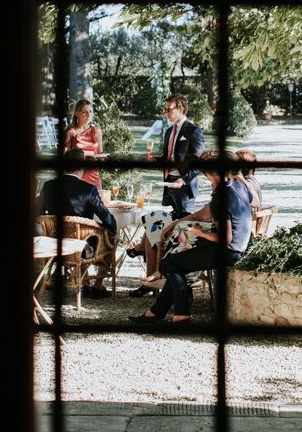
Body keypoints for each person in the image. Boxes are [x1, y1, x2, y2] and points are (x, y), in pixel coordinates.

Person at [128, 150, 252, 325]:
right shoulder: (236, 185)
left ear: (208, 174)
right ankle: (155, 312)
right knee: (176, 262)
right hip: (238, 247)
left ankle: (181, 313)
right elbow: (204, 213)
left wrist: (201, 233)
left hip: (228, 251)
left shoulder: (221, 196)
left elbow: (226, 237)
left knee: (174, 263)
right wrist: (174, 224)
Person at [127, 93, 205, 297]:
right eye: (166, 109)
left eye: (170, 109)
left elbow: (197, 163)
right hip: (168, 186)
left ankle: (153, 269)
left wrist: (183, 180)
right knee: (155, 225)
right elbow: (171, 158)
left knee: (173, 231)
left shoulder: (193, 131)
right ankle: (150, 276)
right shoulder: (169, 130)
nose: (167, 113)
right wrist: (157, 159)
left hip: (183, 190)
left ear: (182, 108)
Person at [37, 148, 117, 299]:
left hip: (55, 246)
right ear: (81, 167)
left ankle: (73, 278)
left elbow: (39, 213)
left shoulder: (48, 186)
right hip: (82, 248)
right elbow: (105, 217)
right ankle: (97, 286)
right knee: (110, 237)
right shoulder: (88, 189)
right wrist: (114, 227)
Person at [63, 99, 104, 195]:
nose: (89, 115)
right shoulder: (70, 132)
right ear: (76, 113)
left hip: (94, 175)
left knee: (96, 206)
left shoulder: (97, 131)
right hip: (77, 176)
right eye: (84, 112)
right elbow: (65, 157)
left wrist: (100, 159)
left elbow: (101, 154)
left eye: (90, 112)